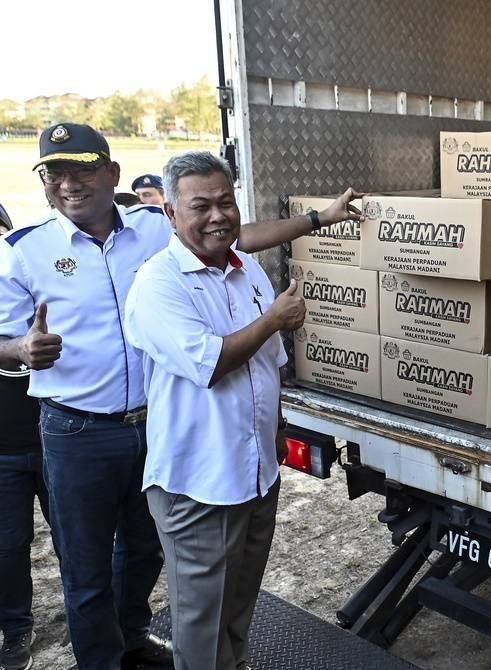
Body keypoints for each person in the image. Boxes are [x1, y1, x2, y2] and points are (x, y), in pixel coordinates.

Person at [0, 122, 363, 670]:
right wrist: (21, 349)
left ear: (111, 173)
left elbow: (237, 232)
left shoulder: (152, 226)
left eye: (83, 169)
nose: (70, 184)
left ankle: (135, 638)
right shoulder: (27, 249)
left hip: (153, 421)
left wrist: (316, 220)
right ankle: (103, 662)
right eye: (56, 173)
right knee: (86, 565)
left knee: (144, 553)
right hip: (80, 428)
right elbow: (2, 341)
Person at [123, 151, 302, 669]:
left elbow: (269, 368)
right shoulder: (159, 283)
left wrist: (276, 434)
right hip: (198, 486)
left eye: (226, 202)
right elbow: (212, 364)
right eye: (200, 206)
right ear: (171, 215)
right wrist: (273, 320)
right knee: (201, 624)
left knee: (239, 606)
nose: (218, 215)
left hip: (255, 475)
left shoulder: (246, 272)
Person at [0, 205, 50, 670]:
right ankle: (15, 629)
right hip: (2, 453)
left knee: (79, 540)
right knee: (8, 545)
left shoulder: (42, 299)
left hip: (58, 441)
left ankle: (100, 618)